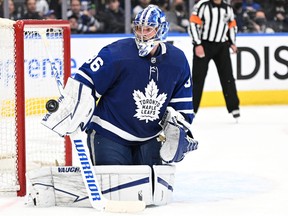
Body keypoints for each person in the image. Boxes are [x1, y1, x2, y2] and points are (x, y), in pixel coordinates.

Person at [188, 0, 240, 119]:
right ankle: (191, 108)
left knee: (228, 77)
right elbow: (193, 24)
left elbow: (231, 25)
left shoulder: (227, 8)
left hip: (222, 46)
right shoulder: (202, 5)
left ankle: (234, 107)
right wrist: (197, 44)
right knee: (198, 78)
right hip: (204, 45)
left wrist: (232, 43)